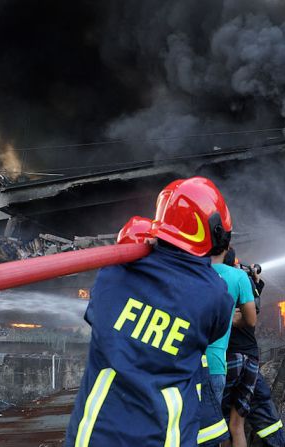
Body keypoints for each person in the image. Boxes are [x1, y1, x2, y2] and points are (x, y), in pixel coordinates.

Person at [65, 177, 235, 447]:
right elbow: (214, 331)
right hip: (163, 438)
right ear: (213, 231)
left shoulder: (113, 274)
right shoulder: (215, 296)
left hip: (93, 436)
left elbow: (96, 314)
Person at [198, 245, 257, 447]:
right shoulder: (238, 277)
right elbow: (251, 319)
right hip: (217, 362)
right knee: (223, 428)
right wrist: (230, 318)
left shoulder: (193, 271)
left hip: (188, 361)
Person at [221, 249, 261, 447]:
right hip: (251, 358)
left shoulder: (216, 282)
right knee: (237, 425)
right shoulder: (244, 282)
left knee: (221, 423)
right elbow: (253, 311)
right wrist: (255, 280)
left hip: (229, 356)